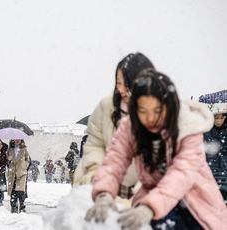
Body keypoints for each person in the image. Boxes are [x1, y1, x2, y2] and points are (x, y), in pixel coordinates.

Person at [85, 70, 227, 230]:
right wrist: (104, 193)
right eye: (143, 111)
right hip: (156, 205)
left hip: (196, 207)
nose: (150, 118)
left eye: (156, 110)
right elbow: (115, 160)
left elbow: (181, 174)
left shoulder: (189, 127)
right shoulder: (131, 126)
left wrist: (149, 207)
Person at [76, 53, 155, 199]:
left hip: (144, 191)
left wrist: (143, 191)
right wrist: (97, 175)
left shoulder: (158, 112)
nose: (123, 89)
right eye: (119, 82)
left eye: (129, 83)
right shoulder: (106, 107)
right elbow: (94, 145)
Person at [204, 111, 227, 201]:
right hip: (211, 171)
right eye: (216, 118)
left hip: (224, 171)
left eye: (221, 118)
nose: (219, 121)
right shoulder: (205, 131)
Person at [7, 139, 31, 213]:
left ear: (21, 140)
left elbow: (29, 160)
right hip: (12, 173)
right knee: (13, 190)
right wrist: (8, 160)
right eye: (15, 138)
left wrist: (24, 166)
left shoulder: (24, 149)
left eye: (19, 139)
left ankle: (22, 206)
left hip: (21, 173)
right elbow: (7, 162)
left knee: (21, 191)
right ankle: (13, 205)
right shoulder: (10, 150)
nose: (17, 140)